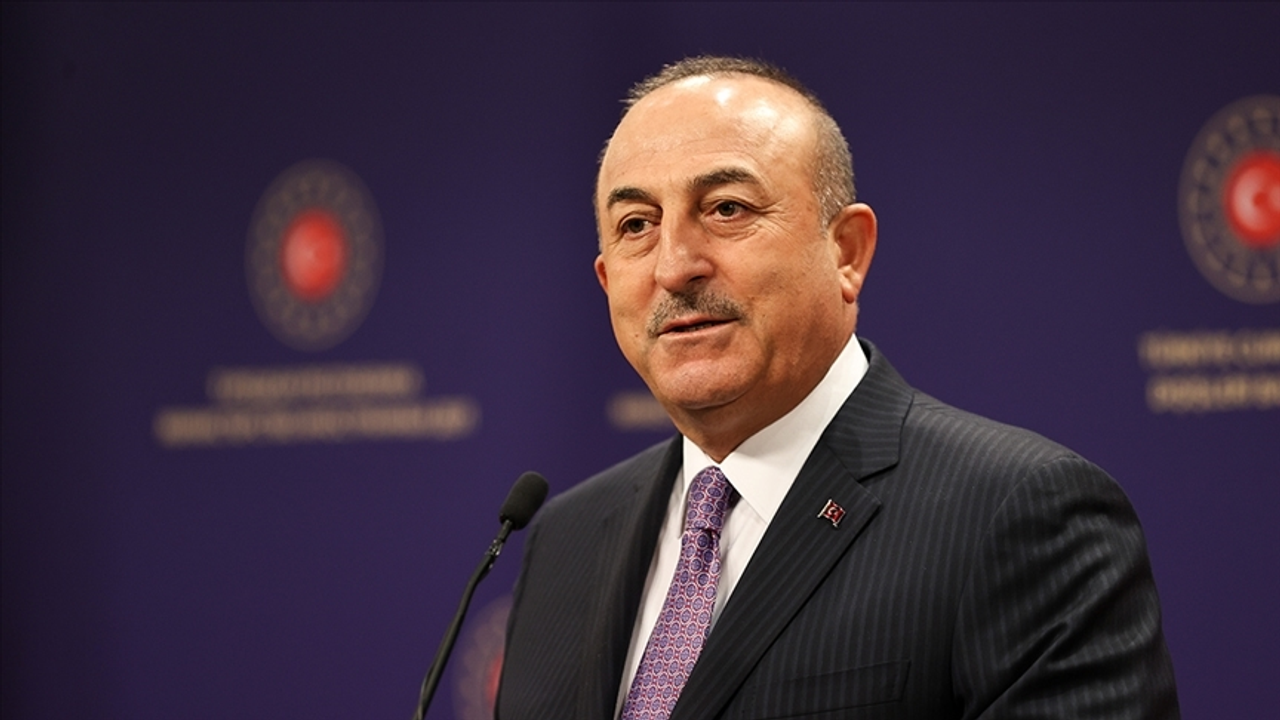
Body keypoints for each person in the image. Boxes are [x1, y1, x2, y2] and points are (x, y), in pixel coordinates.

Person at [496, 56, 1179, 719]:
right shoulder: (564, 538)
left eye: (727, 208)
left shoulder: (1019, 514)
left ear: (846, 252)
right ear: (607, 280)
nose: (674, 267)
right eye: (636, 226)